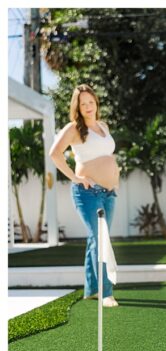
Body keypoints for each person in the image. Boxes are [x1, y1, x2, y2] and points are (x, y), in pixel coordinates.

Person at [48, 84, 119, 308]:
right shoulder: (74, 128)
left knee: (95, 238)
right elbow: (55, 154)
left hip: (109, 193)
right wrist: (75, 178)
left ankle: (90, 288)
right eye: (83, 103)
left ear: (96, 103)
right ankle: (105, 292)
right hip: (88, 192)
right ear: (77, 107)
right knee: (101, 239)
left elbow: (106, 156)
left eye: (91, 102)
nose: (88, 107)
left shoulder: (103, 126)